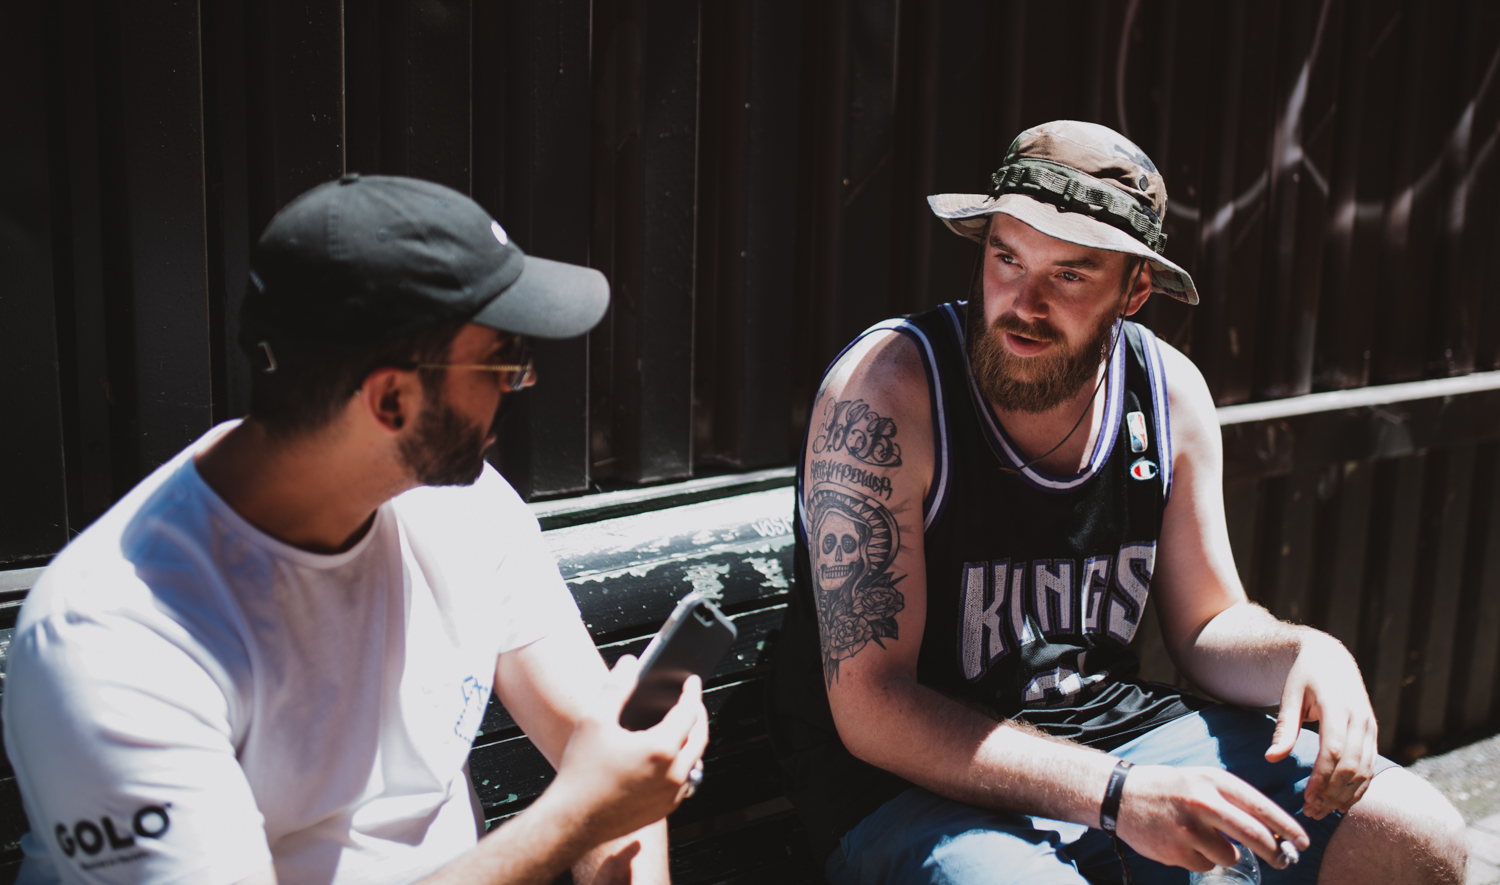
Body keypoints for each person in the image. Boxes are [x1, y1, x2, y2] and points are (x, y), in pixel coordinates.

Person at [768, 121, 1467, 884]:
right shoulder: (887, 393)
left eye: (1070, 275)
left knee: (1413, 831)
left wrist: (1309, 653)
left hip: (1116, 740)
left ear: (1136, 287)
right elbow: (870, 705)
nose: (1023, 302)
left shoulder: (1168, 393)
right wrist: (1115, 795)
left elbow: (1207, 624)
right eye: (1007, 258)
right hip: (916, 788)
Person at [4, 174, 708, 885]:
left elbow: (610, 753)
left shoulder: (458, 501)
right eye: (503, 360)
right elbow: (595, 795)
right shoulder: (116, 640)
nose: (519, 384)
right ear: (392, 397)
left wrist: (609, 801)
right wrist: (574, 815)